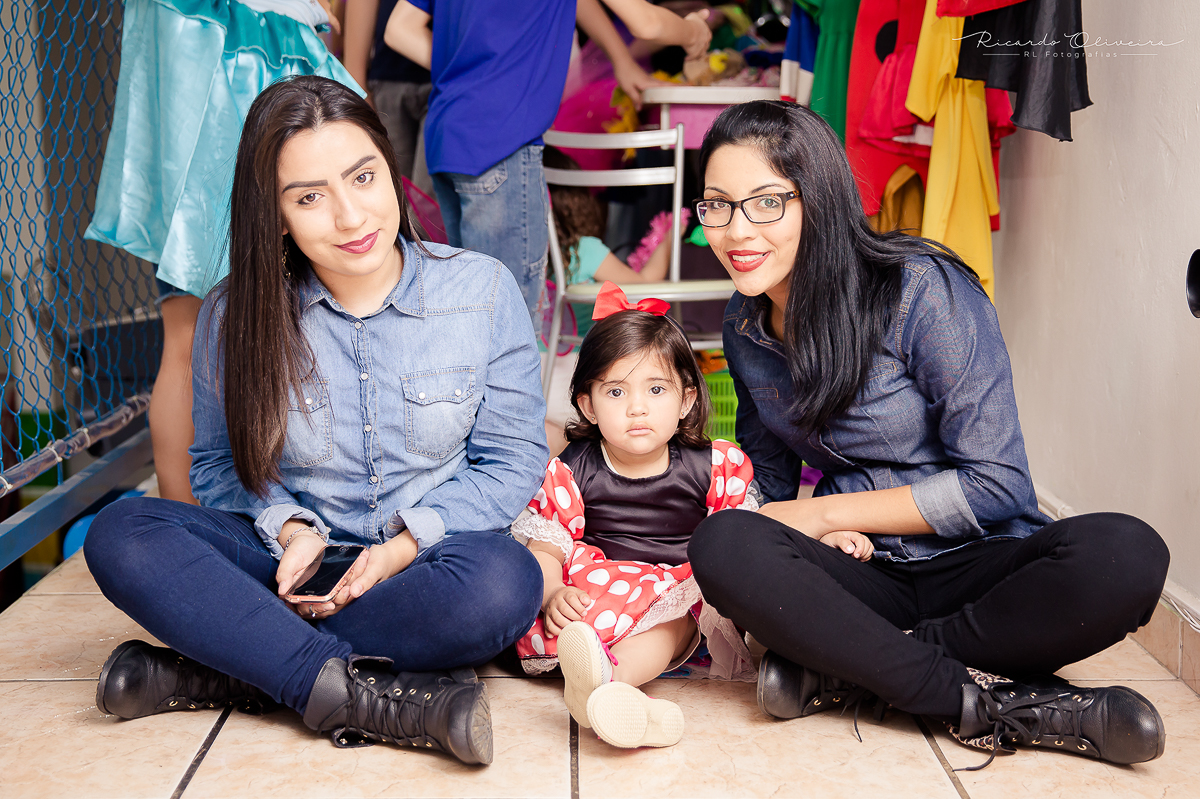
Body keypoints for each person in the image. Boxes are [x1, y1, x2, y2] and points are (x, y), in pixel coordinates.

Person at [686, 101, 1170, 769]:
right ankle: (982, 702)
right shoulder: (744, 326)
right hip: (861, 571)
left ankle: (862, 668)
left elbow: (999, 484)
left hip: (977, 563)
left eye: (766, 203)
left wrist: (823, 511)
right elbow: (765, 484)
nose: (737, 230)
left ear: (817, 201)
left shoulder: (918, 290)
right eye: (717, 204)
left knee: (1128, 551)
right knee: (723, 541)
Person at [83, 76, 548, 766]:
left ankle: (233, 665)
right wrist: (289, 525)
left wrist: (399, 546)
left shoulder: (480, 290)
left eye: (363, 177)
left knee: (505, 581)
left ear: (390, 169)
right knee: (123, 531)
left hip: (419, 567)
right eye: (309, 197)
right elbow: (212, 466)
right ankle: (351, 690)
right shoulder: (232, 313)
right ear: (275, 215)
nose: (350, 215)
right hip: (284, 565)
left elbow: (511, 460)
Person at [85, 0, 359, 504]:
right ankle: (189, 520)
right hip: (230, 53)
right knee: (209, 334)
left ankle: (191, 521)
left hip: (213, 51)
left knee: (204, 336)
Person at [511, 282, 761, 749]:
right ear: (587, 404)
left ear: (686, 399)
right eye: (616, 391)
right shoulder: (573, 469)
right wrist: (553, 593)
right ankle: (605, 687)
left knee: (672, 617)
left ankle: (609, 683)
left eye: (656, 388)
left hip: (678, 585)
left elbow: (744, 538)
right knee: (568, 614)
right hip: (601, 583)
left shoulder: (712, 466)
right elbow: (546, 547)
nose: (637, 407)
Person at [383, 0, 712, 321]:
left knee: (470, 314)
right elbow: (646, 22)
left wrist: (471, 77)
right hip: (502, 141)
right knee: (509, 324)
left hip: (447, 135)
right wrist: (695, 32)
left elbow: (399, 29)